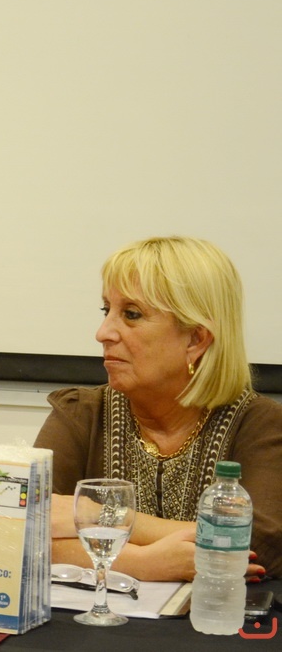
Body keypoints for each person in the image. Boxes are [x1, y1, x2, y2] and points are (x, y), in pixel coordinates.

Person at [34, 236, 282, 580]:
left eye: (132, 315)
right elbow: (25, 528)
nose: (103, 333)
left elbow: (256, 546)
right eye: (107, 311)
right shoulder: (81, 413)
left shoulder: (260, 425)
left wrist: (104, 517)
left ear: (196, 339)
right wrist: (143, 563)